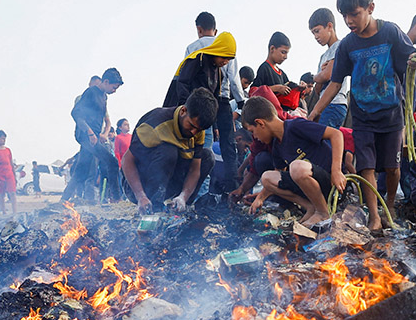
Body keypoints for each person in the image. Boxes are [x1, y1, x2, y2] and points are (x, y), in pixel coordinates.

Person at [309, 0, 416, 231]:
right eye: (345, 16)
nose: (349, 21)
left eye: (354, 14)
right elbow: (334, 83)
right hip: (363, 116)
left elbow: (411, 56)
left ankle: (389, 203)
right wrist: (315, 111)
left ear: (370, 7)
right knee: (366, 167)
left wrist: (414, 61)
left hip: (392, 115)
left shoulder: (390, 32)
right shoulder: (347, 45)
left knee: (392, 168)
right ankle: (375, 216)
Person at [241, 96, 346, 228]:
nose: (254, 137)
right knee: (267, 178)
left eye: (252, 131)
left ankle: (322, 212)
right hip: (310, 189)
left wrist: (337, 171)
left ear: (261, 123)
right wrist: (261, 197)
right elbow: (278, 175)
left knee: (296, 167)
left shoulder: (296, 126)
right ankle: (310, 207)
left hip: (332, 183)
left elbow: (336, 134)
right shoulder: (277, 146)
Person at [122, 88, 218, 214]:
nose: (194, 132)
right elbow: (127, 160)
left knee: (207, 157)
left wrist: (183, 197)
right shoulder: (155, 124)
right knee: (169, 150)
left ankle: (181, 206)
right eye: (192, 126)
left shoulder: (197, 131)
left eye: (199, 130)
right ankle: (153, 207)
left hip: (169, 183)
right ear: (183, 111)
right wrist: (141, 196)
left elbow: (195, 169)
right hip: (139, 185)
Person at [183, 15, 246, 193]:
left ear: (199, 29)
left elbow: (185, 76)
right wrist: (240, 102)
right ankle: (231, 189)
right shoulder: (225, 47)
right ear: (215, 30)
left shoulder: (192, 47)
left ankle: (202, 189)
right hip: (223, 99)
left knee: (203, 144)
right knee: (228, 145)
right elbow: (234, 79)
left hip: (200, 101)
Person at [63, 67, 123, 203]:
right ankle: (117, 200)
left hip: (94, 136)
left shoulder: (104, 96)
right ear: (106, 81)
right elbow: (76, 113)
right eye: (114, 88)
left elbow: (104, 119)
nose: (114, 91)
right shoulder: (91, 92)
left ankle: (64, 200)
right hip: (85, 135)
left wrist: (102, 134)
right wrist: (90, 133)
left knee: (80, 171)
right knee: (112, 162)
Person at [309, 8, 350, 129]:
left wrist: (315, 77)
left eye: (317, 31)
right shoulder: (323, 56)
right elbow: (318, 88)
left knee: (325, 143)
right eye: (313, 33)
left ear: (329, 26)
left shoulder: (339, 47)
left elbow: (328, 75)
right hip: (324, 104)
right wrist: (320, 77)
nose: (316, 36)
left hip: (335, 103)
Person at [253, 32, 306, 111]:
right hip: (267, 113)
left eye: (287, 53)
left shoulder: (282, 74)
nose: (285, 57)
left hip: (281, 113)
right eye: (283, 52)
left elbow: (289, 96)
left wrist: (299, 89)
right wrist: (275, 88)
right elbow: (254, 91)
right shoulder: (264, 68)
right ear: (272, 49)